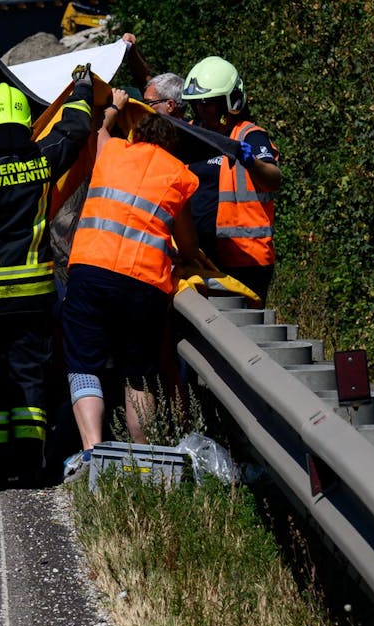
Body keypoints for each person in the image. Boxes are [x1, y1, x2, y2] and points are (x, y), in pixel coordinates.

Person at [0, 69, 94, 485]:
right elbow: (77, 127)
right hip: (35, 293)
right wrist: (82, 85)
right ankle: (31, 464)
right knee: (31, 376)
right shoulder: (41, 159)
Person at [59, 96, 202, 480]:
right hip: (143, 284)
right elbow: (188, 245)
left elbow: (100, 129)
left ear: (136, 135)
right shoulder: (179, 174)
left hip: (91, 273)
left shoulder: (112, 152)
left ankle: (92, 452)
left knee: (83, 365)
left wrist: (115, 107)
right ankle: (141, 460)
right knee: (137, 374)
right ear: (171, 146)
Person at [179, 56, 281, 304]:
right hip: (198, 255)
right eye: (198, 103)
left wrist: (251, 161)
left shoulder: (249, 136)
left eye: (209, 103)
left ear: (230, 101)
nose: (203, 109)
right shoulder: (190, 133)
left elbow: (273, 179)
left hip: (245, 258)